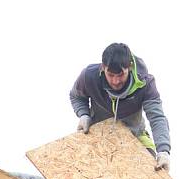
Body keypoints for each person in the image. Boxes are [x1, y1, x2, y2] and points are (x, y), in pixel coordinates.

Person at [70, 42, 171, 171]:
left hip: (134, 134)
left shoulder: (145, 84)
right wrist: (83, 114)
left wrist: (163, 151)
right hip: (97, 133)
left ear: (129, 67)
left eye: (121, 75)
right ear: (103, 68)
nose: (115, 81)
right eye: (111, 75)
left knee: (154, 173)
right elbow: (76, 96)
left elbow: (157, 118)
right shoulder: (89, 76)